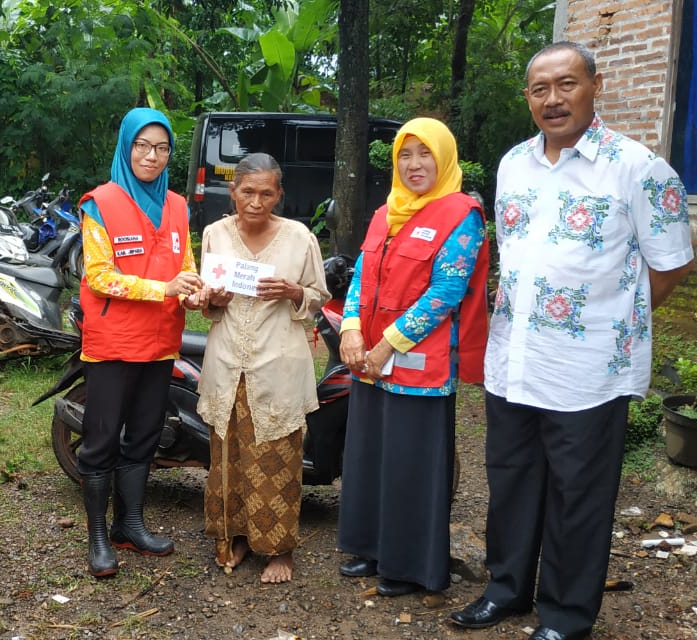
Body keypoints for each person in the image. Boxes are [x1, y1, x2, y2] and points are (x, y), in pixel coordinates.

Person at [449, 42, 694, 640]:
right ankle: (506, 589)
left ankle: (564, 616)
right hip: (515, 359)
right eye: (539, 88)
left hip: (588, 369)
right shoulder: (513, 164)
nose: (553, 99)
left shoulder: (639, 168)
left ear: (595, 86)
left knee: (577, 495)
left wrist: (606, 323)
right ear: (528, 97)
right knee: (511, 480)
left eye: (566, 84)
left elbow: (669, 267)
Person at [336, 117, 490, 598]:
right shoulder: (386, 213)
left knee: (410, 465)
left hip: (421, 368)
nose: (414, 164)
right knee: (370, 458)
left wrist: (388, 343)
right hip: (370, 363)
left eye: (425, 154)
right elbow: (362, 273)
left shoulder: (461, 214)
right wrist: (350, 328)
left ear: (443, 158)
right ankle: (371, 548)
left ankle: (408, 567)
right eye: (406, 154)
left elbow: (446, 292)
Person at [74, 107, 203, 578]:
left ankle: (130, 524)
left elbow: (183, 264)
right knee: (101, 440)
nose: (152, 156)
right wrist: (163, 289)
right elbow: (100, 276)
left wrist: (196, 288)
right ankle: (98, 536)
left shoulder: (177, 205)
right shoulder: (100, 203)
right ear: (126, 147)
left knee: (145, 436)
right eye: (142, 146)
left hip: (161, 341)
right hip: (112, 342)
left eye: (162, 147)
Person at [189, 152, 329, 584]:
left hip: (278, 363)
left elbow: (318, 295)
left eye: (266, 193)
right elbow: (207, 300)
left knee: (277, 459)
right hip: (228, 362)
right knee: (227, 456)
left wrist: (292, 291)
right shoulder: (214, 234)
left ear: (278, 194)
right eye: (247, 191)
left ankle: (279, 550)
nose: (255, 201)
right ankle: (236, 535)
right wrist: (214, 299)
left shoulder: (299, 237)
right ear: (232, 193)